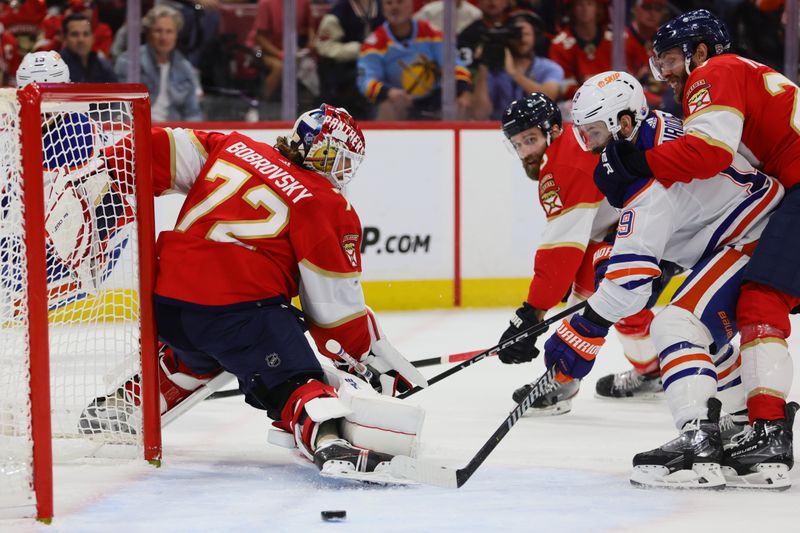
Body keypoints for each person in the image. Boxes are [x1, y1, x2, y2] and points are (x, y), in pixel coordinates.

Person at [83, 104, 428, 483]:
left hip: (167, 301)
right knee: (294, 379)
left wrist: (99, 175)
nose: (344, 173)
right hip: (237, 309)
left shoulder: (233, 146)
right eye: (343, 161)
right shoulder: (326, 203)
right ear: (325, 153)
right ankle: (329, 441)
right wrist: (361, 358)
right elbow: (334, 310)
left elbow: (159, 147)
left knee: (203, 348)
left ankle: (133, 401)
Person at [546, 69, 788, 489]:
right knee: (700, 334)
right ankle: (740, 427)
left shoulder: (649, 181)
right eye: (583, 135)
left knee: (676, 324)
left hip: (753, 235)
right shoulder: (656, 126)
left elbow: (630, 286)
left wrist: (581, 330)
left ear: (623, 123)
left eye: (595, 133)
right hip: (753, 227)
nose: (590, 146)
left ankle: (698, 443)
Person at [595, 9, 800, 489]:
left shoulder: (716, 71)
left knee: (756, 300)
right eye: (658, 61)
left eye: (669, 58)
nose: (663, 71)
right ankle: (763, 431)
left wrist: (638, 163)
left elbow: (708, 154)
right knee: (757, 300)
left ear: (700, 51)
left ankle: (766, 431)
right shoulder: (740, 75)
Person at [497, 91, 665, 417]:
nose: (525, 152)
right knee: (616, 297)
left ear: (554, 130)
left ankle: (562, 378)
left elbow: (561, 249)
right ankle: (651, 371)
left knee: (595, 292)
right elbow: (574, 239)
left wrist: (533, 311)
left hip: (648, 227)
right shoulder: (571, 148)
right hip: (641, 224)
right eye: (517, 144)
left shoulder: (564, 164)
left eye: (530, 139)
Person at [357, 0, 473, 120]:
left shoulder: (431, 32)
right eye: (389, 3)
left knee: (462, 104)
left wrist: (463, 92)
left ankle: (458, 138)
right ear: (383, 8)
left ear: (411, 5)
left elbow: (455, 65)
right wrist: (388, 92)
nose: (394, 7)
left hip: (435, 98)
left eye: (399, 2)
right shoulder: (374, 43)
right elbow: (365, 80)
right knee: (385, 107)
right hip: (399, 102)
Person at [115, 5, 202, 122]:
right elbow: (120, 108)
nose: (164, 37)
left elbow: (192, 113)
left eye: (169, 31)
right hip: (140, 129)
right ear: (149, 33)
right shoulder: (129, 62)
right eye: (158, 31)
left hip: (173, 133)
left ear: (176, 35)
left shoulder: (185, 68)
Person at [472, 10, 563, 120]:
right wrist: (483, 66)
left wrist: (514, 73)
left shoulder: (550, 68)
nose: (522, 39)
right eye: (516, 34)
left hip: (538, 129)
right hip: (498, 129)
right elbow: (479, 114)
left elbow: (549, 97)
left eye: (526, 34)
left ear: (536, 37)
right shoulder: (494, 70)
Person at [314, 0, 384, 119]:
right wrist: (359, 49)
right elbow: (325, 47)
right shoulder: (337, 14)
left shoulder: (383, 8)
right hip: (344, 78)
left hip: (378, 71)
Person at [548, 0, 612, 101]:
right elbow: (565, 88)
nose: (585, 9)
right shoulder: (559, 45)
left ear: (598, 8)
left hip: (614, 99)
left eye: (589, 4)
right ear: (572, 9)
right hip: (578, 104)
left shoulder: (615, 41)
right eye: (579, 4)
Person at [59, 12, 117, 83]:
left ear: (93, 38)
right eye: (74, 34)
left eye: (86, 34)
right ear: (64, 38)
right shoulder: (56, 67)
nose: (81, 39)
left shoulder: (103, 66)